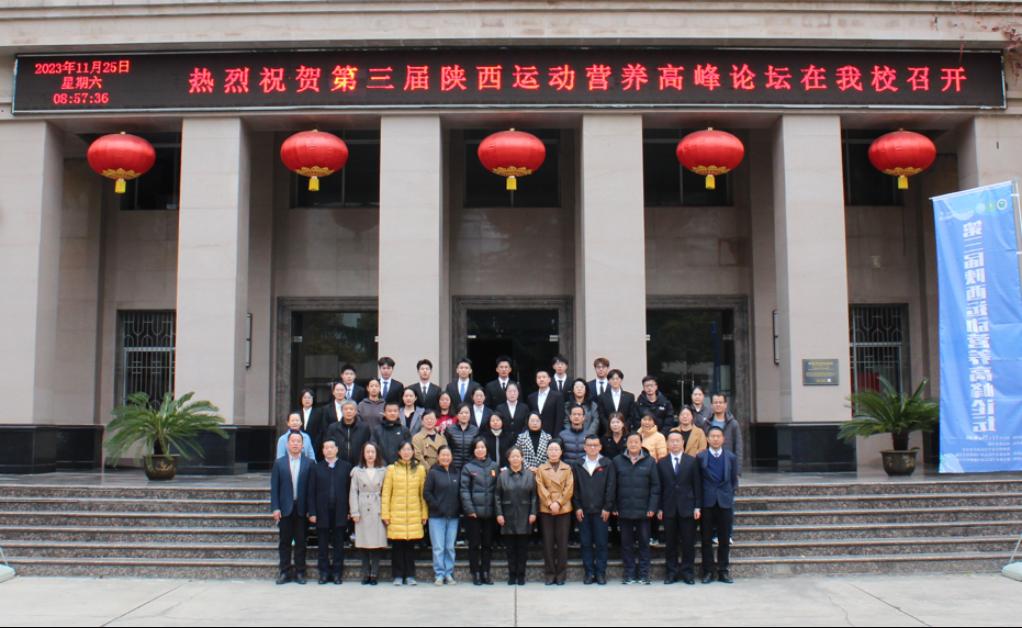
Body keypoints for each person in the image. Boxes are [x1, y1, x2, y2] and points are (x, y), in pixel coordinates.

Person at [612, 432, 660, 585]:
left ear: (641, 443)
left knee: (644, 544)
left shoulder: (650, 461)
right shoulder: (617, 461)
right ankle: (629, 573)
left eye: (636, 442)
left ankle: (644, 574)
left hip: (644, 510)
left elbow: (655, 486)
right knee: (626, 545)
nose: (633, 444)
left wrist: (652, 507)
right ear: (626, 444)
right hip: (624, 509)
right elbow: (612, 485)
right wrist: (614, 505)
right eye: (630, 442)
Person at [657, 431, 702, 585]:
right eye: (672, 441)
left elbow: (697, 485)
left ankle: (688, 572)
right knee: (670, 543)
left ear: (683, 442)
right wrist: (659, 508)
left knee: (688, 543)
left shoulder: (692, 461)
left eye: (677, 440)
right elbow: (659, 487)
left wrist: (697, 506)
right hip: (668, 508)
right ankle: (671, 572)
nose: (674, 443)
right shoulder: (661, 463)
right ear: (667, 443)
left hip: (687, 508)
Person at [307, 439, 353, 585]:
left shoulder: (346, 467)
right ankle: (324, 573)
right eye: (326, 448)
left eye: (331, 447)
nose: (329, 450)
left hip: (340, 511)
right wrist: (312, 512)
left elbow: (350, 491)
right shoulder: (316, 468)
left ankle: (337, 573)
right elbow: (311, 491)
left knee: (339, 544)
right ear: (322, 451)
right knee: (322, 545)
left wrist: (350, 510)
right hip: (322, 512)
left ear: (337, 449)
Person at [382, 440, 428, 586]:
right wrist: (385, 514)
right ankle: (397, 575)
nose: (406, 452)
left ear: (413, 452)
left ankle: (410, 575)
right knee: (397, 547)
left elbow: (423, 494)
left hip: (414, 513)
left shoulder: (420, 469)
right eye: (403, 450)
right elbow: (386, 493)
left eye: (409, 449)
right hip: (396, 513)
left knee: (410, 547)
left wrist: (424, 513)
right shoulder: (391, 469)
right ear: (399, 452)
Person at [270, 432, 313, 585]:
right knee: (285, 542)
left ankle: (300, 572)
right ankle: (284, 572)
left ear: (303, 445)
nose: (295, 444)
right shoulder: (279, 463)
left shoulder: (309, 463)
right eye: (293, 441)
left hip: (302, 509)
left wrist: (311, 510)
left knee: (301, 542)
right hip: (284, 508)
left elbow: (311, 489)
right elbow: (274, 488)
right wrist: (275, 508)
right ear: (287, 444)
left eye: (298, 441)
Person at [697, 425, 739, 584]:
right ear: (707, 439)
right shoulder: (701, 457)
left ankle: (723, 570)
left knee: (724, 538)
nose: (715, 439)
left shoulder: (731, 457)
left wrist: (728, 495)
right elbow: (697, 481)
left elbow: (733, 480)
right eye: (712, 436)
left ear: (723, 439)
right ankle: (708, 571)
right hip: (707, 502)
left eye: (718, 436)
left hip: (725, 502)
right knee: (706, 539)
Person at [572, 434, 615, 585]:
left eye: (595, 445)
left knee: (602, 543)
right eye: (589, 445)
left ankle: (601, 573)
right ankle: (589, 573)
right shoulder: (578, 464)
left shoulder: (607, 463)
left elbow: (611, 487)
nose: (592, 448)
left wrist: (607, 507)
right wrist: (577, 507)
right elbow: (574, 488)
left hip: (601, 511)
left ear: (600, 447)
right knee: (586, 543)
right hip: (583, 511)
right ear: (584, 447)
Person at [496, 446, 537, 586]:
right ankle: (512, 575)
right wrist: (499, 514)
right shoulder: (502, 476)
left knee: (522, 549)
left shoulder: (529, 475)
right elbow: (497, 496)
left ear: (522, 458)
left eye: (518, 456)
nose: (515, 459)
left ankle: (521, 575)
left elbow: (534, 496)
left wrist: (533, 512)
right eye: (512, 456)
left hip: (525, 515)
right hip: (507, 515)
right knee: (510, 550)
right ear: (508, 459)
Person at [460, 438, 499, 585]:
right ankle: (475, 572)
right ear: (473, 450)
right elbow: (464, 490)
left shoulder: (494, 466)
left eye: (483, 447)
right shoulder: (468, 467)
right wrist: (470, 509)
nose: (480, 450)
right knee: (474, 544)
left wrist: (497, 510)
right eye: (477, 448)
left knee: (488, 544)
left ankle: (486, 572)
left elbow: (498, 490)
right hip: (473, 514)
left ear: (487, 449)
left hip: (490, 513)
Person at [535, 440, 573, 586]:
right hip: (547, 509)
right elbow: (540, 487)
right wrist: (550, 503)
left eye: (556, 449)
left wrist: (559, 503)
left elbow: (569, 488)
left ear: (561, 452)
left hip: (563, 509)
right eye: (551, 449)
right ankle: (550, 573)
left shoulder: (567, 468)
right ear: (546, 451)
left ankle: (561, 574)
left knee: (562, 543)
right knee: (548, 542)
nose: (553, 452)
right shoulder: (541, 469)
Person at [349, 442, 387, 585]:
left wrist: (386, 512)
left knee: (376, 543)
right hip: (363, 507)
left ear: (377, 454)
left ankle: (374, 573)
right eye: (367, 452)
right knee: (363, 543)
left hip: (378, 508)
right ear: (363, 454)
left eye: (373, 452)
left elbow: (387, 491)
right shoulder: (357, 471)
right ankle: (365, 573)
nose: (370, 455)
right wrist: (354, 511)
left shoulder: (383, 471)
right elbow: (353, 492)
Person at [423, 445, 460, 585]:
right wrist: (438, 506)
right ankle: (439, 574)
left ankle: (448, 573)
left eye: (448, 455)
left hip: (453, 517)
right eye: (443, 455)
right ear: (438, 457)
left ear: (451, 457)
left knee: (449, 547)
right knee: (438, 547)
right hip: (436, 516)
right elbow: (427, 493)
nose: (445, 457)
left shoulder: (456, 473)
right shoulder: (433, 473)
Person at [325, 399, 370, 467]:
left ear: (355, 411)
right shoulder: (333, 428)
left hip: (359, 465)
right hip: (339, 465)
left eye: (351, 409)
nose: (348, 411)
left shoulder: (364, 428)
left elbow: (367, 446)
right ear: (341, 411)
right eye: (345, 409)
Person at [308, 382, 345, 460]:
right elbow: (324, 428)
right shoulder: (326, 409)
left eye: (342, 390)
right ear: (333, 392)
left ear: (345, 392)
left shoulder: (350, 407)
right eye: (337, 390)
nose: (340, 392)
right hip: (331, 445)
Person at [709, 392, 743, 477]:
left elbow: (738, 448)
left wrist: (737, 470)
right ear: (711, 405)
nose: (718, 405)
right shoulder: (707, 423)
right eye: (715, 402)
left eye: (720, 402)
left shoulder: (733, 424)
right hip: (709, 467)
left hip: (728, 466)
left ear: (725, 405)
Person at [372, 401, 412, 465]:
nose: (392, 413)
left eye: (395, 411)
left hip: (400, 466)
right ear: (384, 413)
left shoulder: (404, 430)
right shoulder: (377, 430)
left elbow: (409, 450)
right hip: (381, 466)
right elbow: (373, 449)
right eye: (389, 411)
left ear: (399, 413)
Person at [445, 403, 480, 475]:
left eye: (466, 413)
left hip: (471, 467)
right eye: (461, 413)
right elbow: (446, 448)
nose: (464, 415)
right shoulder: (450, 429)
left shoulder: (475, 430)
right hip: (453, 467)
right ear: (457, 415)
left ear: (470, 415)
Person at [528, 369, 564, 436]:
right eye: (539, 377)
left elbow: (559, 418)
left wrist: (556, 437)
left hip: (551, 434)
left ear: (549, 379)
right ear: (536, 380)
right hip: (534, 434)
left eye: (544, 377)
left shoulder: (557, 396)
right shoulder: (531, 397)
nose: (541, 379)